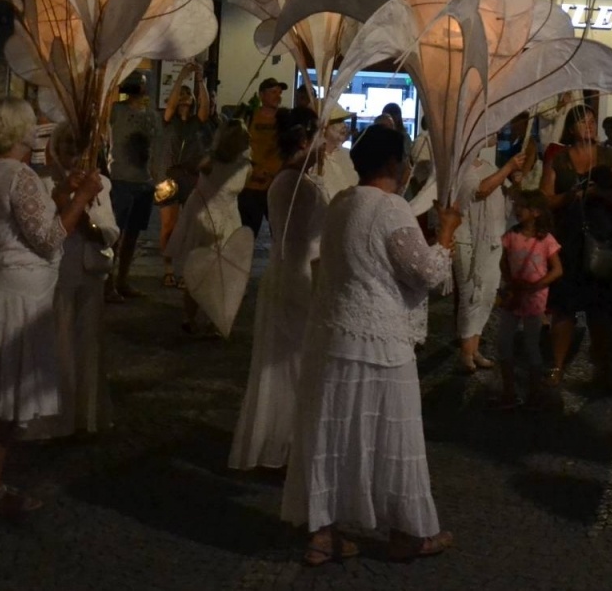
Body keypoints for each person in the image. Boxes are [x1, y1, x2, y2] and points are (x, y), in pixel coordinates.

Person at [281, 124, 457, 565]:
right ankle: (406, 533)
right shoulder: (392, 209)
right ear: (394, 163)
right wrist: (447, 234)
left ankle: (324, 534)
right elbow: (427, 273)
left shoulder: (343, 202)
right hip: (381, 343)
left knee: (332, 433)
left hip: (334, 334)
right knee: (393, 437)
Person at [0, 97, 101, 514]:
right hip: (17, 300)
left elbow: (17, 225)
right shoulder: (19, 176)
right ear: (21, 131)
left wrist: (62, 194)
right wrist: (83, 197)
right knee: (5, 398)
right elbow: (50, 238)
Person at [231, 107, 326, 471]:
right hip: (303, 276)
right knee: (299, 361)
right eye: (319, 137)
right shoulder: (303, 186)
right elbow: (316, 237)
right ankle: (293, 442)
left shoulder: (283, 181)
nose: (325, 145)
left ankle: (278, 437)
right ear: (303, 140)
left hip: (282, 272)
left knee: (281, 362)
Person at [26, 122, 118, 440]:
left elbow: (109, 230)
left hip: (89, 272)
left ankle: (83, 413)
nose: (69, 150)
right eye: (64, 142)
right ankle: (54, 416)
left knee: (88, 343)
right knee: (58, 341)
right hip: (57, 271)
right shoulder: (42, 182)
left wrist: (87, 222)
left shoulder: (100, 183)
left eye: (76, 144)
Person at [540, 106, 612, 388]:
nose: (589, 125)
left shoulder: (607, 156)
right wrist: (569, 197)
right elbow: (545, 199)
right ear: (571, 128)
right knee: (564, 308)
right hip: (568, 239)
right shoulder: (560, 159)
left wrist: (599, 192)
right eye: (582, 121)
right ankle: (557, 365)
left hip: (599, 238)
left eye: (592, 121)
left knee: (599, 309)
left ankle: (602, 365)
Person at [167, 121, 251, 335]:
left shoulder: (209, 162)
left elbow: (194, 169)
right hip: (222, 216)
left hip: (205, 214)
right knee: (218, 271)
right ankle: (211, 319)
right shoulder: (243, 166)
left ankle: (191, 317)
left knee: (198, 267)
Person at [455, 146, 527, 373]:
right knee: (471, 295)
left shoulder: (489, 166)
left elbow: (505, 197)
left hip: (491, 239)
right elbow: (480, 190)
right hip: (468, 239)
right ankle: (466, 352)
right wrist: (508, 168)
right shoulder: (459, 168)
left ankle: (475, 348)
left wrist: (516, 184)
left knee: (487, 295)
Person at [495, 190, 562, 408]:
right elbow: (503, 262)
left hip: (534, 298)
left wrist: (536, 286)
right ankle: (509, 391)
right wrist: (510, 282)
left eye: (522, 206)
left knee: (531, 343)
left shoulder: (546, 239)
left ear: (536, 212)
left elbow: (557, 269)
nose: (517, 210)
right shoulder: (511, 236)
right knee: (504, 341)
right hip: (515, 295)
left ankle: (534, 392)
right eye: (517, 206)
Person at [158, 63, 213, 288]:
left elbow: (205, 106)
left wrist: (199, 79)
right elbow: (170, 104)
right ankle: (168, 269)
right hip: (167, 176)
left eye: (187, 95)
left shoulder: (197, 122)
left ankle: (186, 271)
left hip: (191, 177)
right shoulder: (168, 120)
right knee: (168, 225)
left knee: (191, 226)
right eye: (181, 95)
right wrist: (181, 76)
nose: (183, 97)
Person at [106, 72, 159, 301]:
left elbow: (156, 144)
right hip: (121, 179)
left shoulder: (151, 114)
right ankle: (108, 284)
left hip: (143, 180)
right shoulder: (116, 110)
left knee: (132, 236)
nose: (139, 87)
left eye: (141, 84)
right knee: (115, 235)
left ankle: (122, 280)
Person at [239, 78, 286, 235]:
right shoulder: (249, 117)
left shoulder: (284, 120)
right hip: (251, 186)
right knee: (247, 234)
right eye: (273, 92)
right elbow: (239, 148)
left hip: (276, 186)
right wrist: (253, 168)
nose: (278, 96)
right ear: (261, 95)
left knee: (280, 234)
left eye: (279, 92)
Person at [319, 106, 359, 201]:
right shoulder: (314, 160)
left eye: (343, 121)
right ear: (324, 127)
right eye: (338, 121)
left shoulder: (346, 154)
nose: (344, 125)